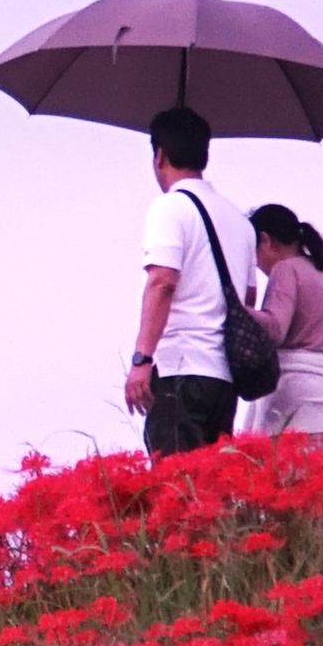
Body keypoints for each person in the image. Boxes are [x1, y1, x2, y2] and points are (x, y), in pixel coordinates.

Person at [121, 106, 243, 457]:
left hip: (181, 370)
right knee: (213, 482)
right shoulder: (237, 219)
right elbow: (246, 298)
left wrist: (142, 360)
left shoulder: (170, 207)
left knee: (175, 481)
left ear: (159, 155)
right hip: (223, 378)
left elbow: (162, 282)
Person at [243, 202, 323, 436]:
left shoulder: (286, 269)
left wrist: (236, 308)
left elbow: (275, 329)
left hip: (301, 404)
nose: (256, 265)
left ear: (266, 240)